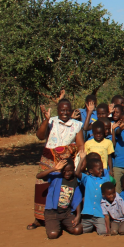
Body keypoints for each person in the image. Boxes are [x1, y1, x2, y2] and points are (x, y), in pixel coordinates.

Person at [31, 96, 85, 230]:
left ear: (71, 110)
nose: (65, 113)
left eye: (67, 110)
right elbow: (40, 136)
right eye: (62, 110)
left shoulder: (76, 125)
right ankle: (39, 218)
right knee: (42, 185)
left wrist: (81, 157)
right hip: (49, 157)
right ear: (58, 110)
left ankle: (62, 216)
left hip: (67, 160)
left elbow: (80, 144)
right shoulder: (51, 121)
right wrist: (46, 120)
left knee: (63, 187)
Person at [35, 159, 83, 239]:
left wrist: (78, 216)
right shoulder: (56, 177)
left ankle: (62, 224)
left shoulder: (75, 181)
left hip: (66, 213)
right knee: (53, 234)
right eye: (64, 171)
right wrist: (54, 168)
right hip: (52, 213)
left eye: (70, 171)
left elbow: (77, 199)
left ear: (73, 169)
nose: (67, 173)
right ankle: (56, 224)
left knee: (78, 230)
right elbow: (39, 176)